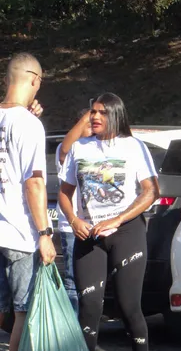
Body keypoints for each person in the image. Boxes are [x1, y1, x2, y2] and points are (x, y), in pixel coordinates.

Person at [58, 93, 159, 351]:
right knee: (90, 307)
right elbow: (64, 192)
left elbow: (151, 191)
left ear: (116, 115)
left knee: (128, 307)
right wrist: (73, 220)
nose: (94, 117)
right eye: (93, 112)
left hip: (126, 233)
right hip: (89, 235)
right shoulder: (80, 148)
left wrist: (119, 218)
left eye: (101, 112)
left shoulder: (134, 147)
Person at [0, 53, 56, 351]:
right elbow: (34, 183)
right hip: (20, 234)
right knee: (23, 310)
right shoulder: (30, 125)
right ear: (35, 80)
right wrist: (45, 233)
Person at [56, 108, 93, 314]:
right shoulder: (70, 149)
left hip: (96, 224)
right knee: (72, 280)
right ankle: (72, 331)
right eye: (88, 124)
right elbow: (63, 151)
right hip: (71, 227)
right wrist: (85, 118)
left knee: (92, 281)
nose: (92, 128)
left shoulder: (99, 147)